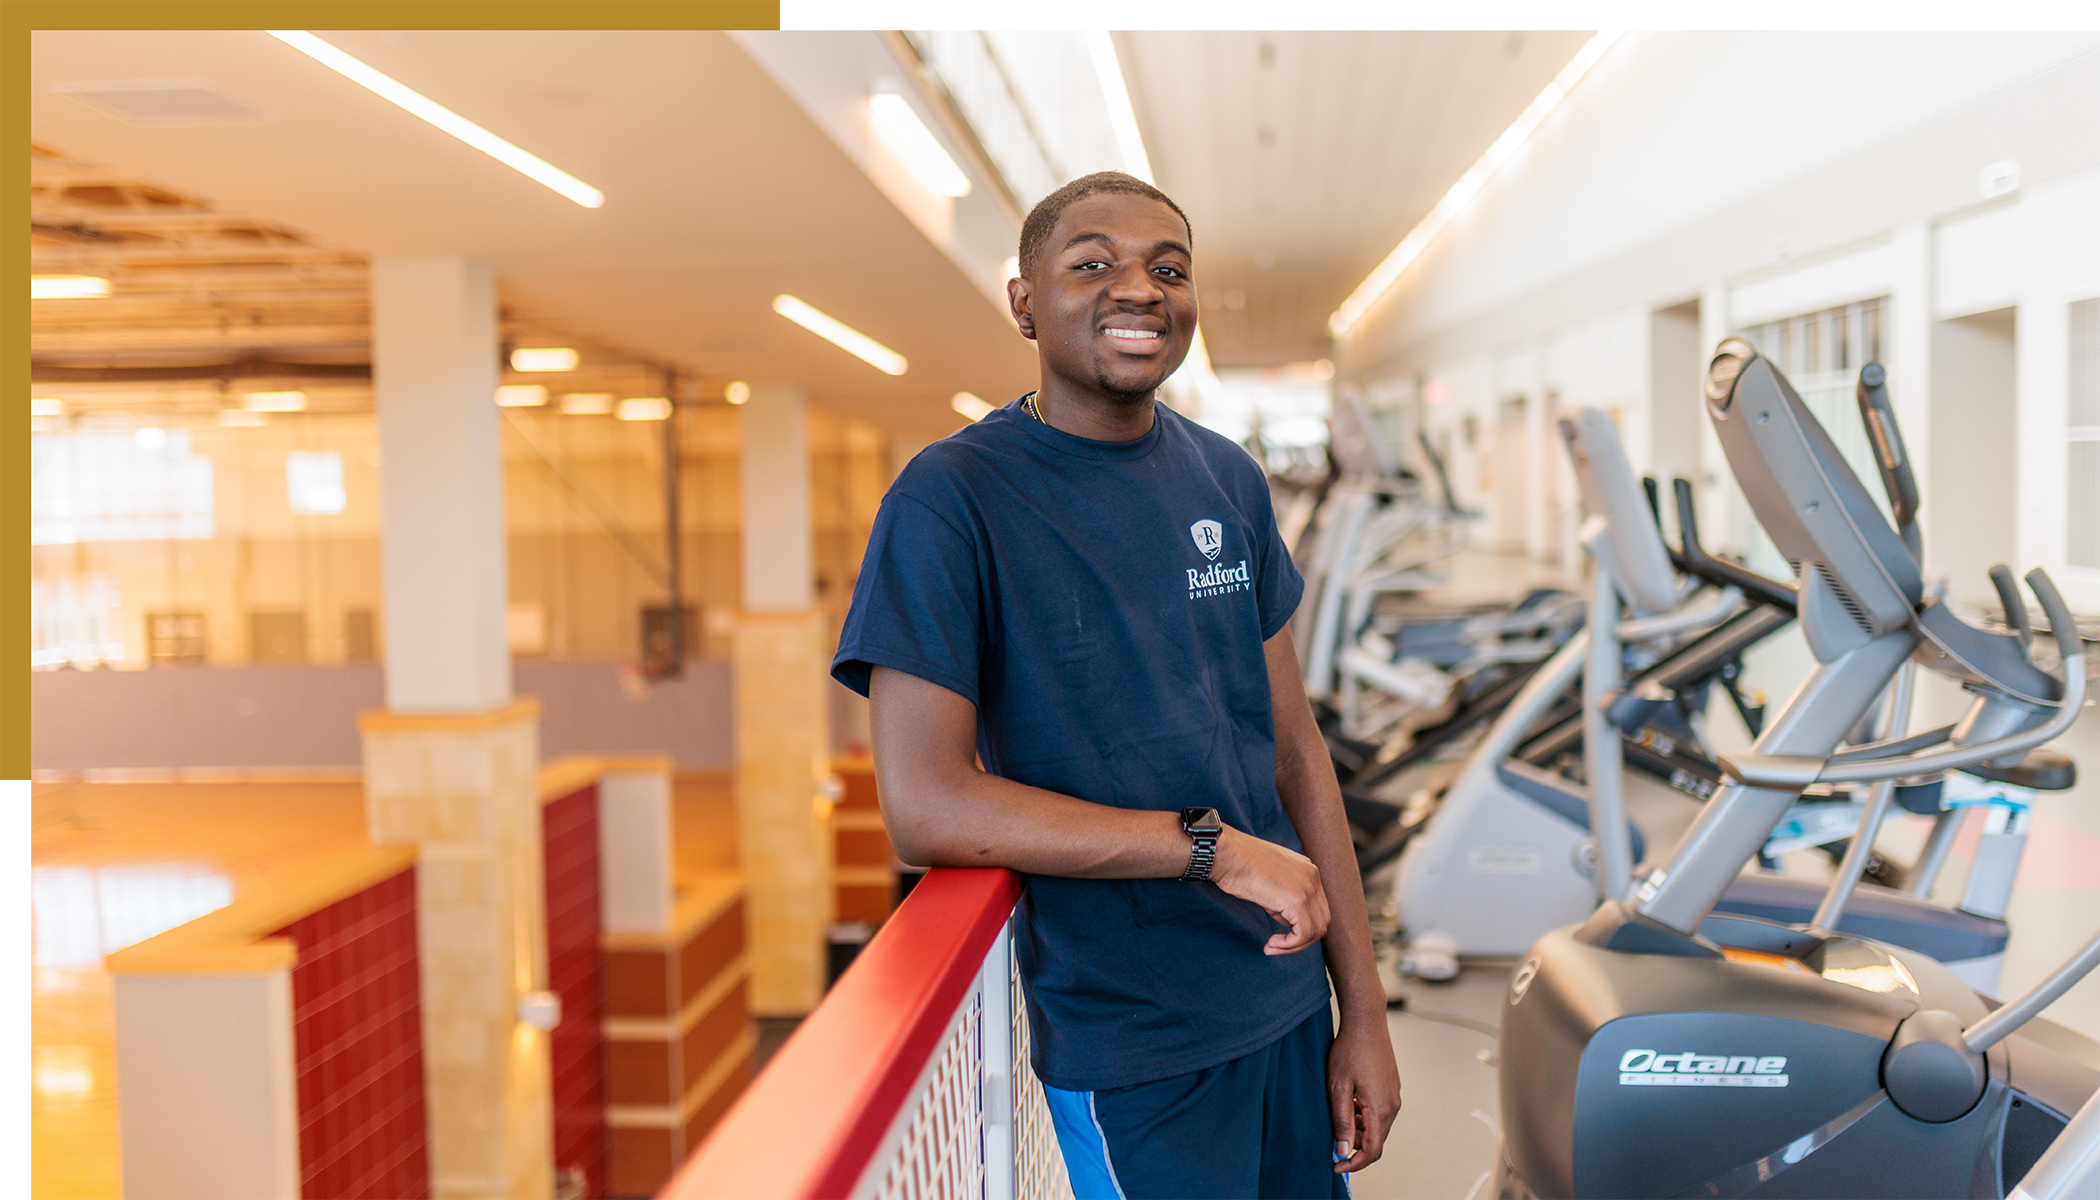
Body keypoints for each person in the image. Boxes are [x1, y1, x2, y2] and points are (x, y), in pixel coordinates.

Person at [831, 171, 1401, 1199]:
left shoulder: (1227, 478)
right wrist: (1210, 849)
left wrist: (1363, 1011)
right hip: (1139, 1041)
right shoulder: (951, 498)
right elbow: (927, 806)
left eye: (1167, 268)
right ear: (1022, 302)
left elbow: (1292, 748)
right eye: (1092, 262)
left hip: (1284, 1003)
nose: (1139, 288)